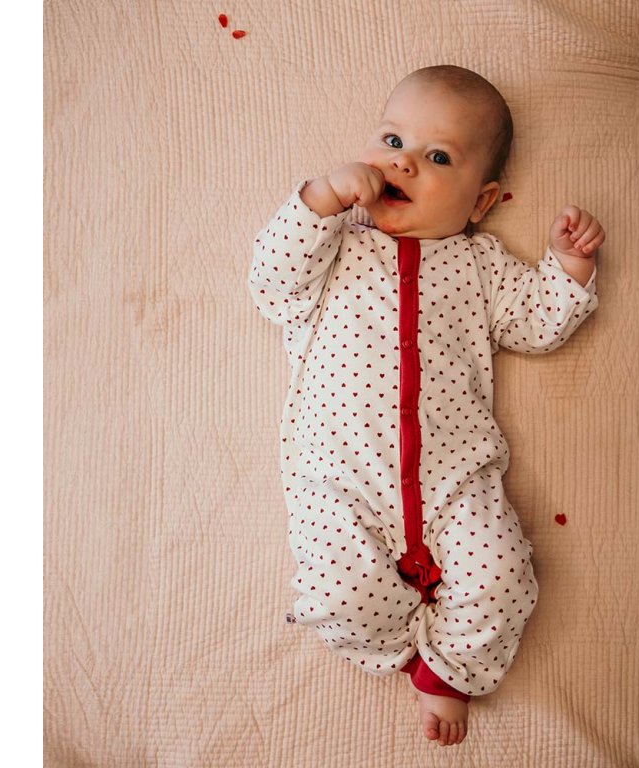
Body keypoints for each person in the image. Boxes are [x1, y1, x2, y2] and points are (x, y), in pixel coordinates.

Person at [248, 65, 604, 747]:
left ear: (481, 200)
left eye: (438, 157)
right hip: (341, 476)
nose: (404, 162)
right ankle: (398, 644)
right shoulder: (336, 246)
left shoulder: (481, 265)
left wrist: (569, 265)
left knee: (502, 576)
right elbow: (270, 281)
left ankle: (448, 670)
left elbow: (538, 323)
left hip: (455, 481)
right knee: (339, 591)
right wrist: (321, 199)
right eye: (392, 140)